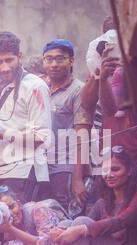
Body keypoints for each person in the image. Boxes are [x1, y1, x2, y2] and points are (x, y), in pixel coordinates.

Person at [51, 146, 137, 245]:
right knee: (66, 224)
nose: (109, 175)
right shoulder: (102, 203)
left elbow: (122, 220)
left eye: (115, 169)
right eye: (105, 170)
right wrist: (59, 231)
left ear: (129, 171)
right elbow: (77, 229)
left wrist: (81, 229)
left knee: (81, 224)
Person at [0, 31, 52, 203]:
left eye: (9, 60)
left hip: (25, 171)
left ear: (19, 56)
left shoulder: (35, 86)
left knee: (19, 221)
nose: (4, 67)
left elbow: (42, 138)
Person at [40, 39, 93, 211]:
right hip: (42, 167)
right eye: (49, 59)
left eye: (60, 59)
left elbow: (83, 135)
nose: (54, 64)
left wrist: (77, 179)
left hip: (66, 169)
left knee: (65, 218)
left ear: (71, 61)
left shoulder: (78, 90)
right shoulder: (41, 88)